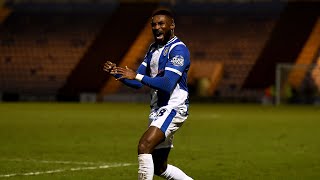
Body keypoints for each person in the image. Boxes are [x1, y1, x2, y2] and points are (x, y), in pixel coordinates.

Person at [103, 9, 192, 180]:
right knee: (160, 167)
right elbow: (138, 83)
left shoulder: (178, 50)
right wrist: (117, 72)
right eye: (153, 24)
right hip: (158, 110)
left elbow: (167, 84)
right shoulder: (153, 49)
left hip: (173, 108)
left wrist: (136, 75)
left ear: (171, 26)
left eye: (161, 24)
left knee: (144, 145)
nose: (156, 27)